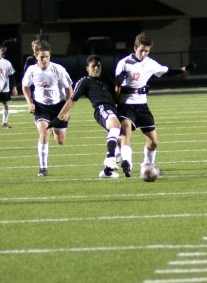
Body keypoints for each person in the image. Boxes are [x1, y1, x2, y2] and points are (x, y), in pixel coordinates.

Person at [114, 32, 195, 177]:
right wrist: (119, 86)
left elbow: (167, 71)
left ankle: (146, 165)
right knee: (126, 132)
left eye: (146, 51)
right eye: (141, 50)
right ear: (135, 48)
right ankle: (127, 163)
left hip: (142, 106)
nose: (144, 53)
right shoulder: (124, 63)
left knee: (154, 141)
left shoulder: (150, 63)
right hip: (126, 105)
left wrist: (184, 69)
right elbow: (117, 84)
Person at [53, 55, 123, 179]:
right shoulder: (85, 81)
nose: (96, 68)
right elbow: (72, 100)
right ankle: (110, 158)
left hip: (113, 109)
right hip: (102, 108)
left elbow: (116, 97)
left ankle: (107, 171)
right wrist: (59, 117)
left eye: (98, 66)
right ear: (87, 68)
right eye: (93, 66)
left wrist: (120, 85)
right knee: (115, 126)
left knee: (121, 139)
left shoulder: (106, 79)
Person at [21, 40, 74, 175]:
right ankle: (43, 168)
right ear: (36, 56)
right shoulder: (32, 70)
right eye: (41, 57)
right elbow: (25, 86)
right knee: (43, 133)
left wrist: (67, 110)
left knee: (60, 140)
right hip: (41, 107)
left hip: (59, 107)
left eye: (47, 56)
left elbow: (69, 90)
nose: (44, 59)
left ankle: (54, 129)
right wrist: (30, 103)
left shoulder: (58, 69)